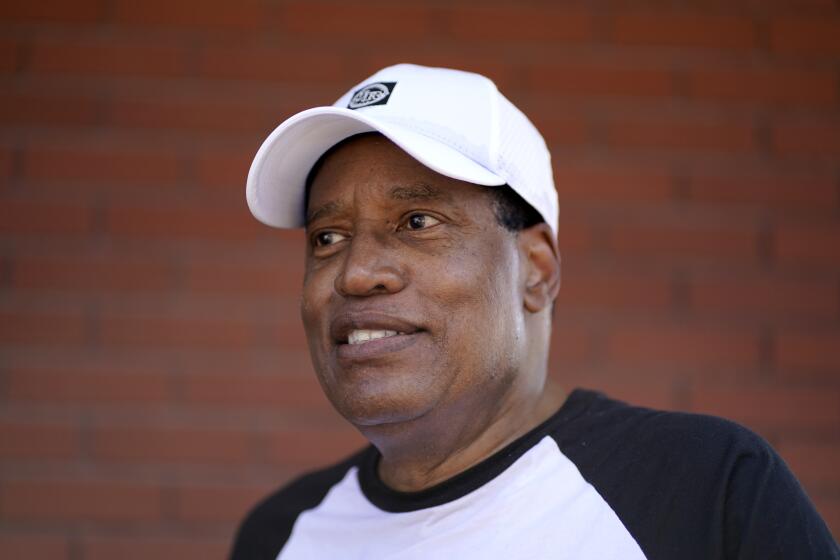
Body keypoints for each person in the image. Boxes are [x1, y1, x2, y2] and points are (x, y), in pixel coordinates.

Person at [230, 64, 838, 559]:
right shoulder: (279, 534)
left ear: (536, 271)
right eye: (327, 237)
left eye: (418, 222)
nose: (357, 273)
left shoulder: (704, 490)